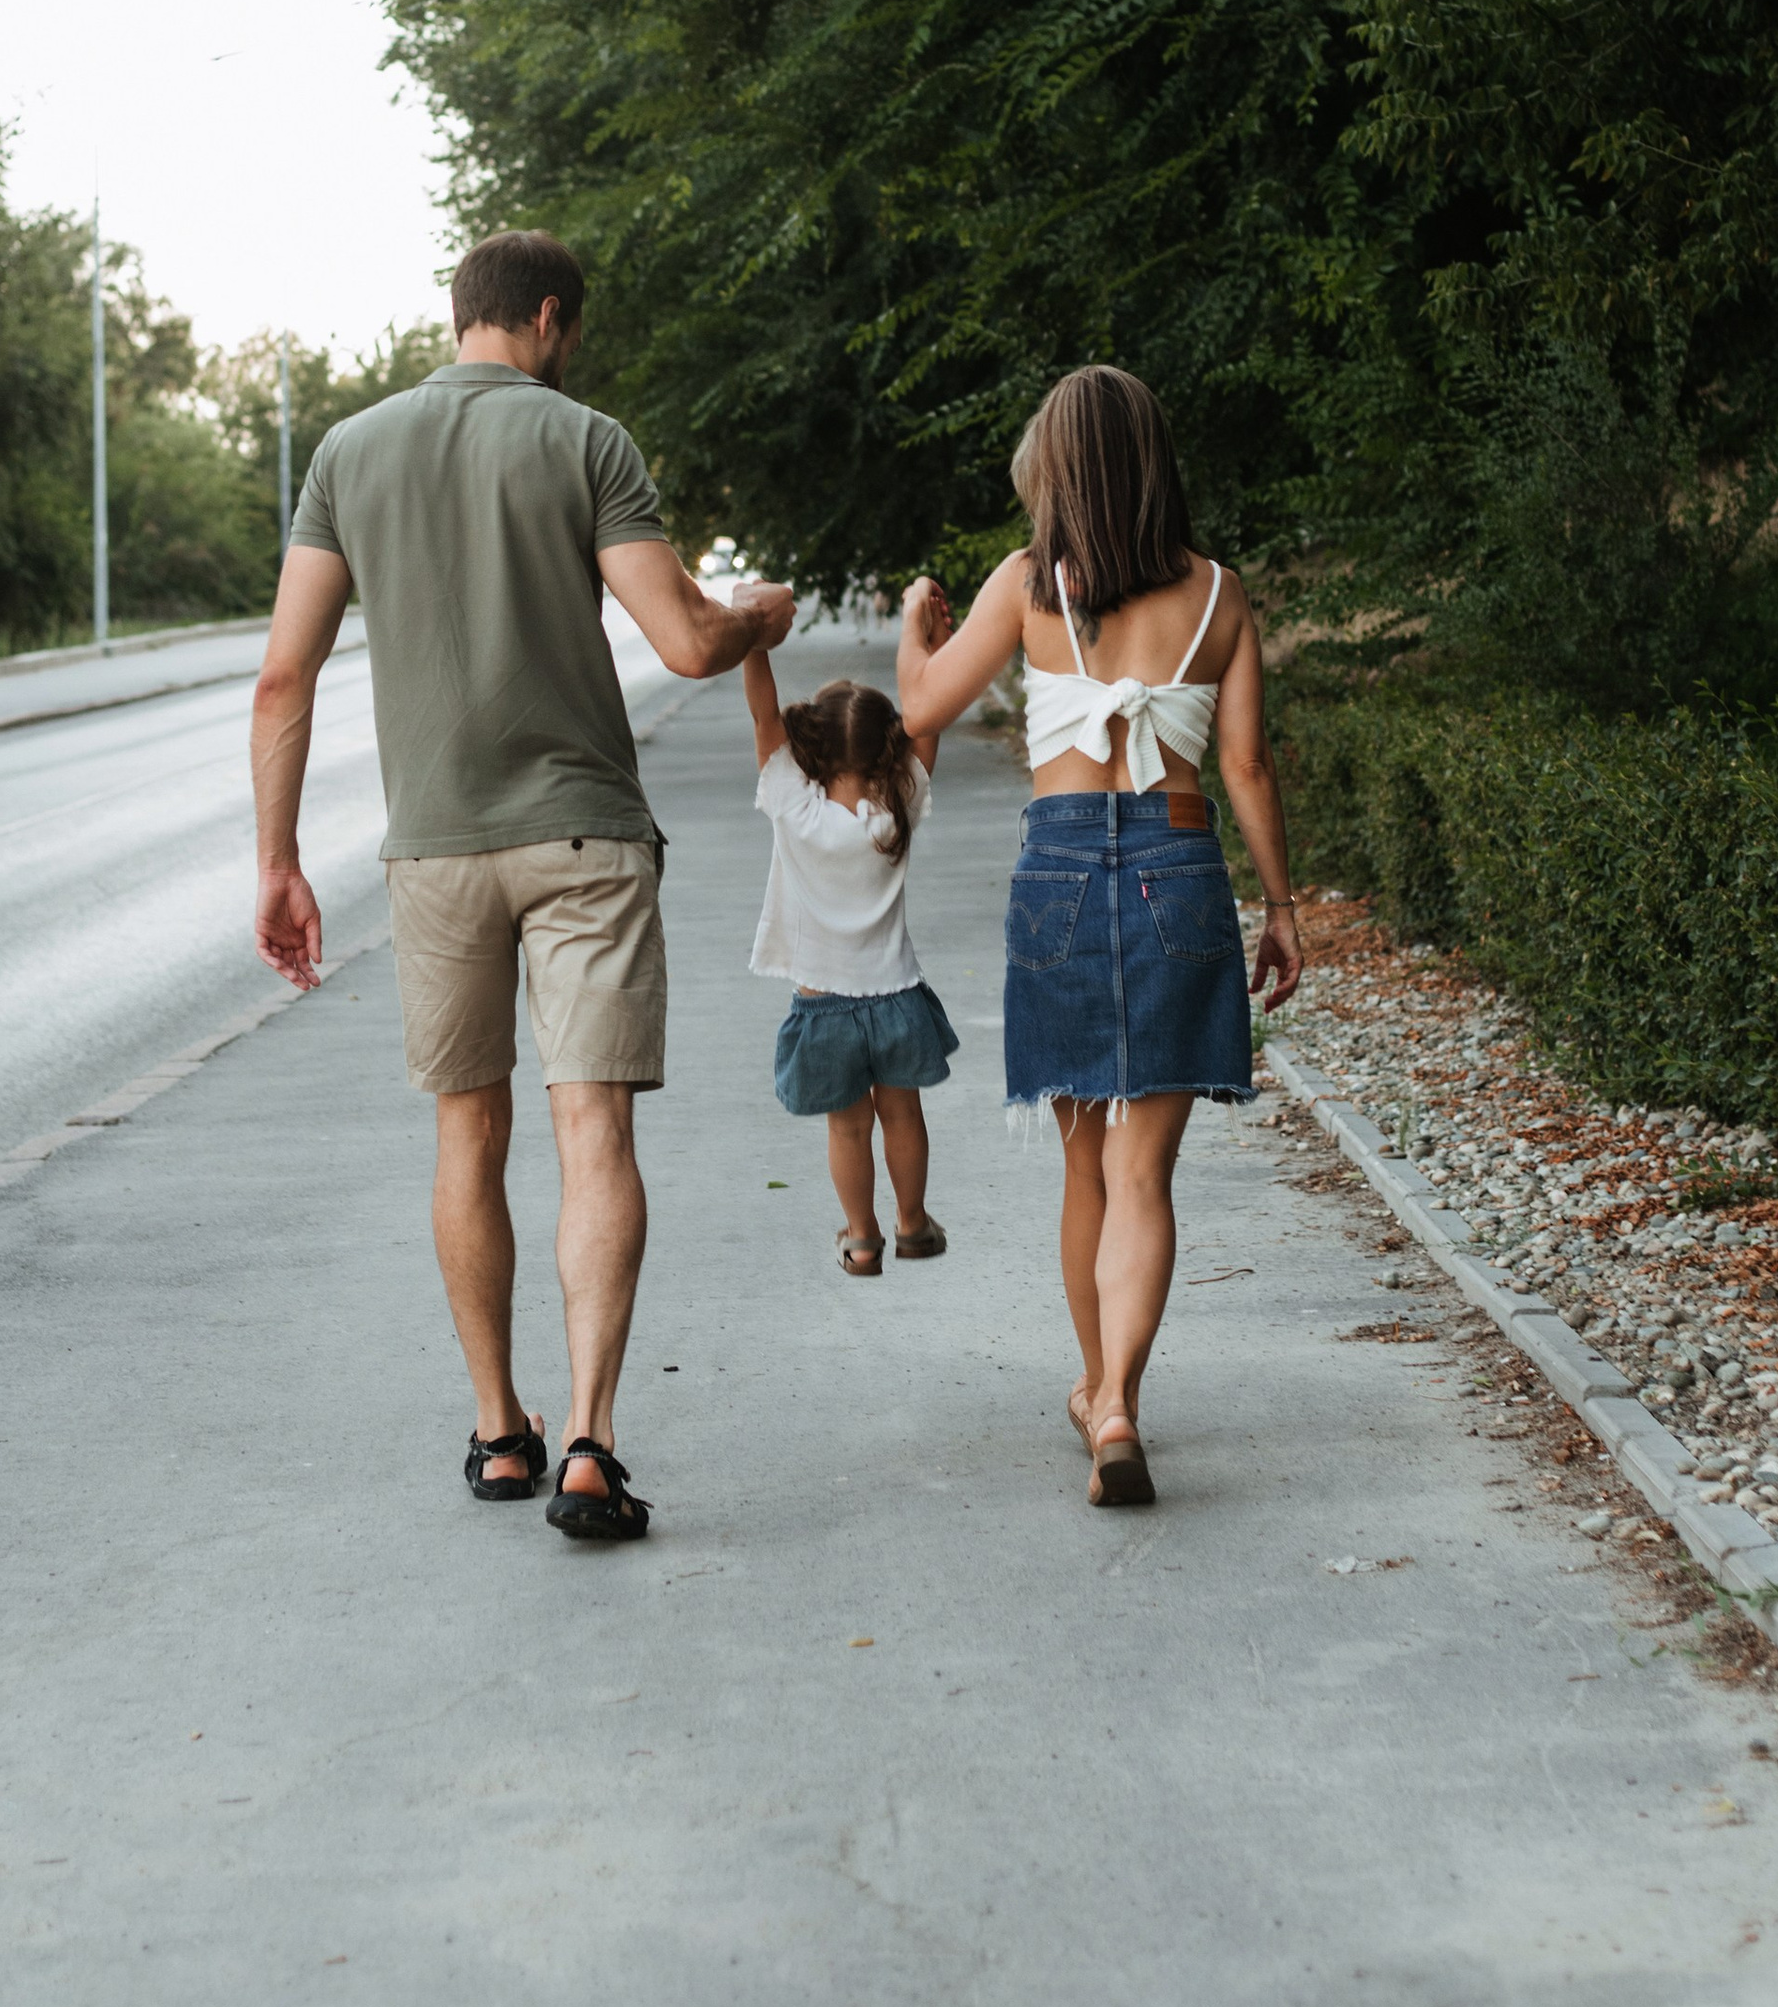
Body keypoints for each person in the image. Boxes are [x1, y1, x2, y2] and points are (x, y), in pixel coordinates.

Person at [249, 227, 795, 1544]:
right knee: (592, 1134)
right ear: (550, 317)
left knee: (466, 1140)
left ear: (461, 315)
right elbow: (682, 637)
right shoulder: (584, 439)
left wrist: (277, 861)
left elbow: (284, 675)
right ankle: (592, 1444)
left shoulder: (347, 454)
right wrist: (760, 618)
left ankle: (501, 1433)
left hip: (432, 848)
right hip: (584, 841)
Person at [895, 365, 1303, 1509]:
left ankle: (1097, 1392)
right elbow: (1245, 767)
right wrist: (1279, 907)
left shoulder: (1026, 583)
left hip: (1061, 874)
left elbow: (920, 710)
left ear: (1058, 468)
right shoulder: (1219, 595)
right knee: (1145, 1172)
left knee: (1084, 1165)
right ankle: (1121, 1392)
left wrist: (909, 640)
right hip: (1178, 865)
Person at [739, 639, 955, 1276]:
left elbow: (762, 719)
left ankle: (862, 1239)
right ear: (888, 746)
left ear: (814, 750)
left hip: (822, 1003)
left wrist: (753, 641)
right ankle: (912, 1223)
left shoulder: (795, 807)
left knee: (848, 1127)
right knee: (903, 1113)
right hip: (896, 996)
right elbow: (930, 715)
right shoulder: (896, 811)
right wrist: (929, 646)